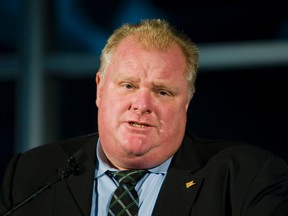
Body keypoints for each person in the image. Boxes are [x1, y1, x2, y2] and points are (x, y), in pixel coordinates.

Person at [0, 19, 288, 216]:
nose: (142, 104)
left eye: (162, 92)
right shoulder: (31, 175)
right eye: (128, 85)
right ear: (100, 89)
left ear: (186, 102)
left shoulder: (246, 179)